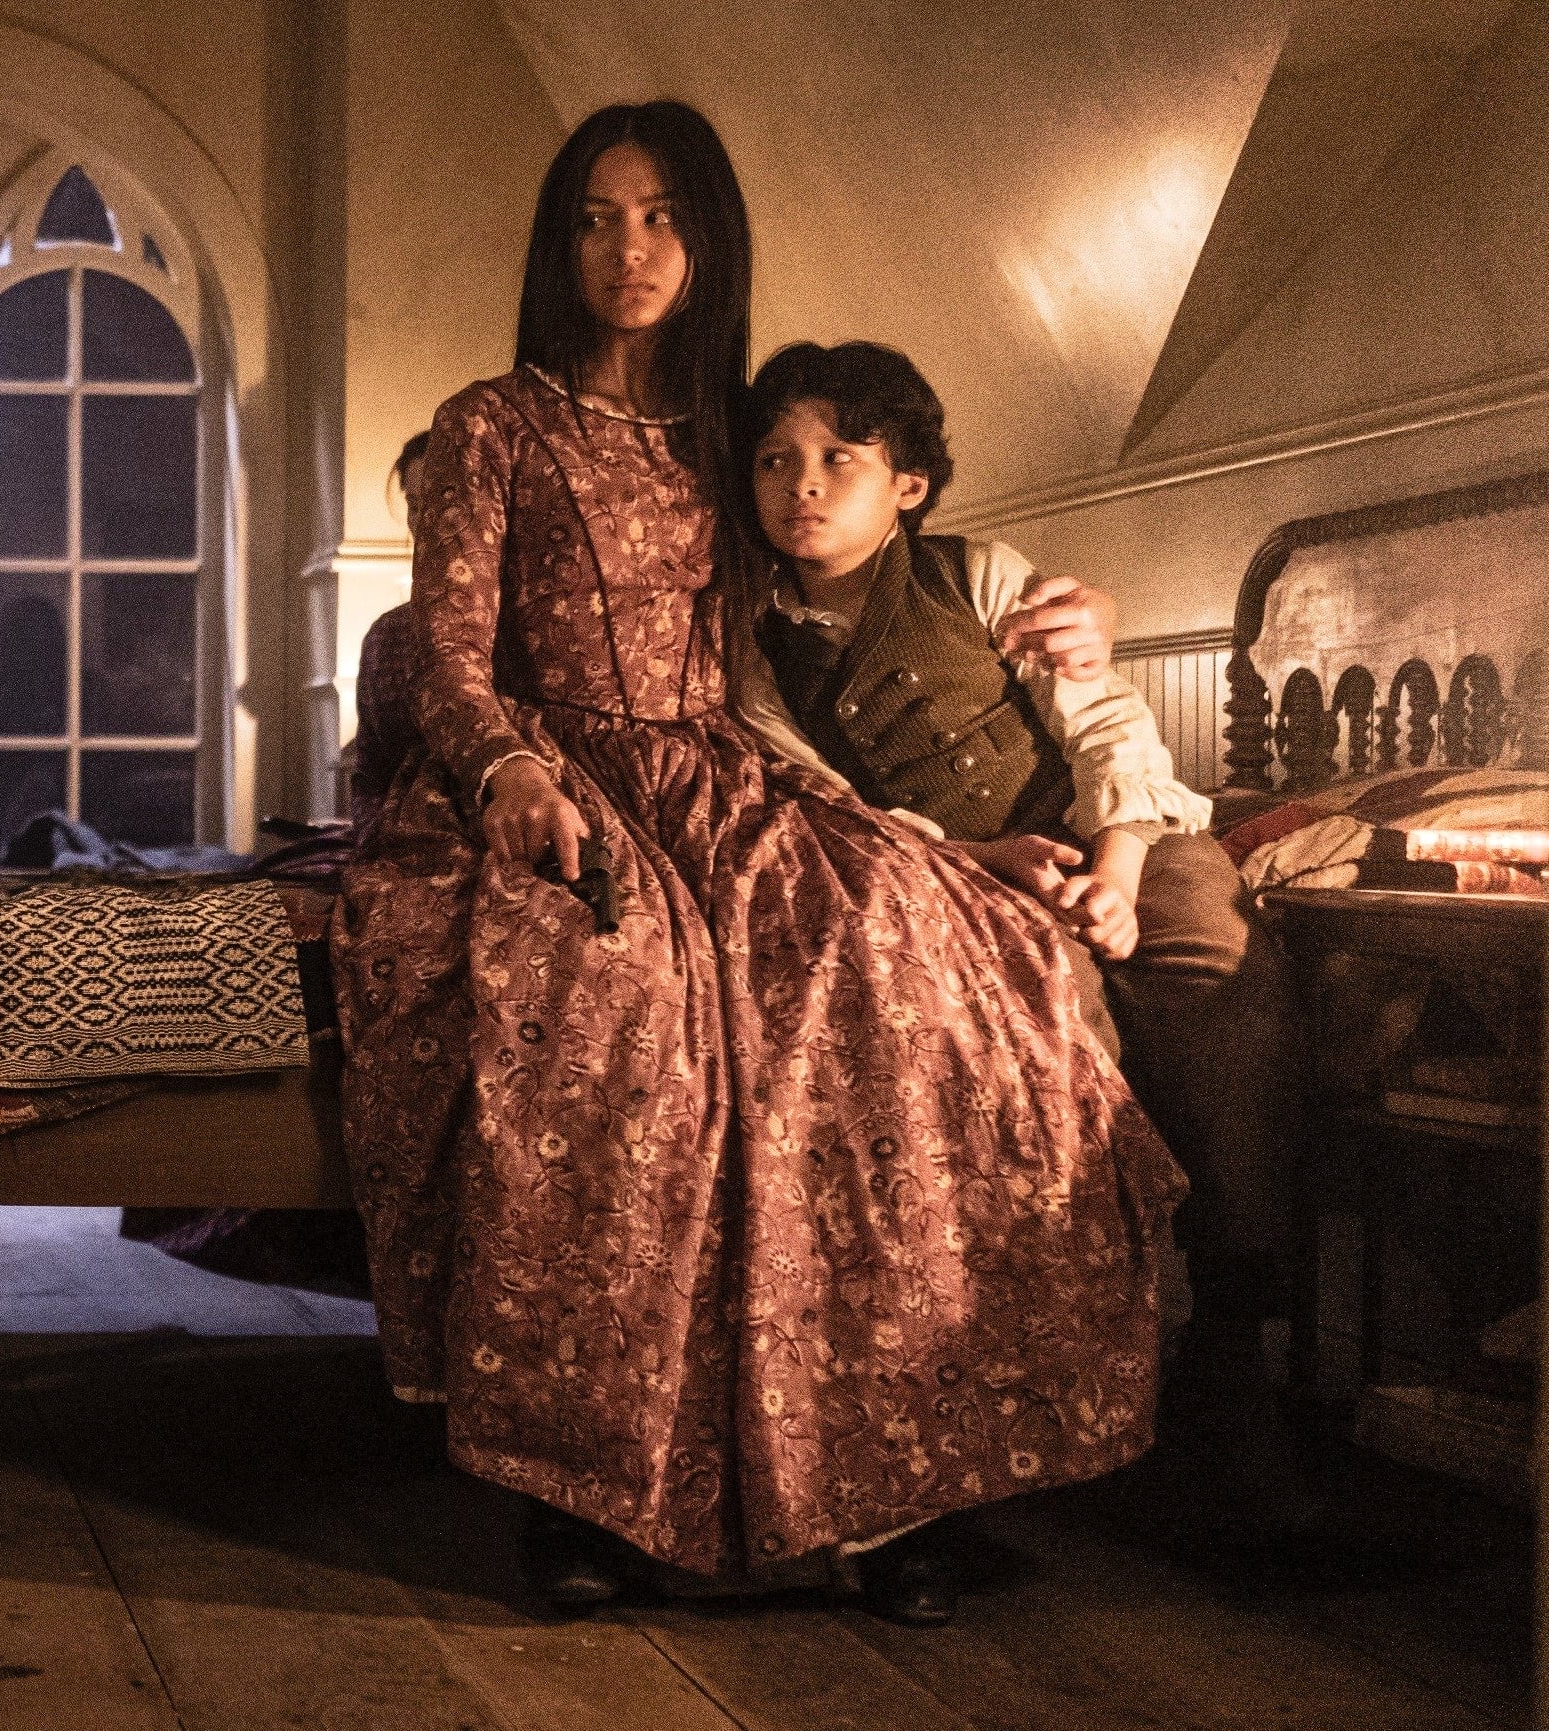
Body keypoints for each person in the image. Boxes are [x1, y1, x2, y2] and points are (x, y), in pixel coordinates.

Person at [332, 100, 1185, 1629]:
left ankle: (903, 1478)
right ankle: (578, 1496)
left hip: (723, 775)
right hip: (548, 778)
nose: (629, 249)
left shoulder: (737, 437)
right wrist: (508, 768)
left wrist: (1079, 618)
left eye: (661, 216)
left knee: (905, 958)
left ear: (707, 237)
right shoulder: (490, 424)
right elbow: (447, 660)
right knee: (607, 1003)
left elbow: (882, 544)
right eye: (596, 217)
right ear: (557, 240)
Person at [730, 339, 1312, 1529]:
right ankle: (1066, 1372)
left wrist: (1119, 865)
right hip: (957, 877)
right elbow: (818, 803)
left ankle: (1235, 1336)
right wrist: (974, 860)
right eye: (776, 461)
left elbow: (1105, 722)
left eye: (839, 459)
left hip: (1122, 834)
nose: (803, 485)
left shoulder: (979, 577)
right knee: (1037, 1033)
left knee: (1217, 978)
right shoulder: (748, 640)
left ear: (908, 485)